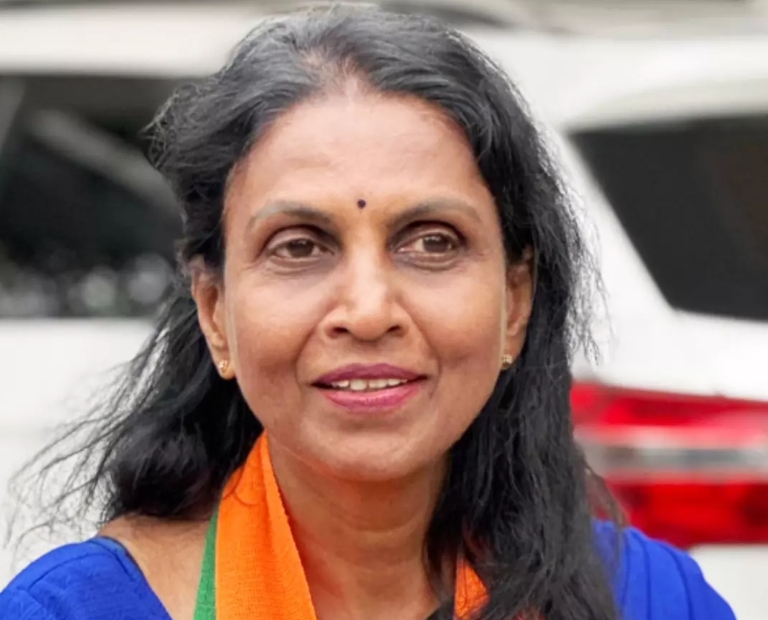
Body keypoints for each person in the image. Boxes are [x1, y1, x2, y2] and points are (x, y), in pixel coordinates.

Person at [0, 5, 736, 620]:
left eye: (432, 242)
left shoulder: (651, 600)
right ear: (215, 312)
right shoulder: (76, 610)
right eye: (299, 246)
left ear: (514, 303)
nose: (367, 309)